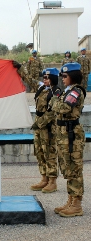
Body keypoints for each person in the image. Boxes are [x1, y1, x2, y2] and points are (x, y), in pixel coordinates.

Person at [50, 62, 86, 217]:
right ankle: (70, 200)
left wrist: (53, 101)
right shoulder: (67, 92)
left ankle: (77, 205)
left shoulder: (76, 91)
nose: (62, 79)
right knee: (67, 168)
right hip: (64, 133)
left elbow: (65, 108)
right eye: (62, 76)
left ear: (73, 76)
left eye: (65, 76)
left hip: (71, 134)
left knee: (74, 168)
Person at [30, 68, 61, 193]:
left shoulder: (56, 92)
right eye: (44, 77)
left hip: (48, 126)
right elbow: (31, 81)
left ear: (53, 78)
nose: (45, 79)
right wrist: (20, 69)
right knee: (39, 151)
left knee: (50, 152)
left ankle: (52, 181)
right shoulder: (42, 88)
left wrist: (40, 123)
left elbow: (53, 111)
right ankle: (44, 178)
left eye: (47, 77)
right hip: (39, 125)